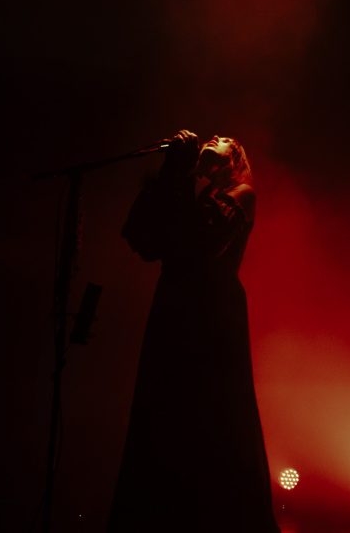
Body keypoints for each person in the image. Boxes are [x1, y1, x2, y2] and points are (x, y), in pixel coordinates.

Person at [107, 129, 279, 532]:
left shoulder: (241, 194)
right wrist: (170, 174)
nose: (212, 136)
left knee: (212, 412)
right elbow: (142, 238)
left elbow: (201, 243)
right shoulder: (195, 195)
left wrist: (181, 179)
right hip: (177, 306)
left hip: (210, 312)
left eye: (223, 139)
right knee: (167, 410)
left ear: (234, 159)